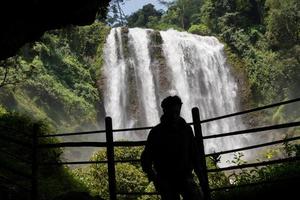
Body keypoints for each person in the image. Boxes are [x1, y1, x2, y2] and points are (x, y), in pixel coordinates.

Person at [141, 95, 203, 200]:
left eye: (176, 112)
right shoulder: (156, 132)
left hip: (184, 176)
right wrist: (155, 178)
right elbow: (146, 159)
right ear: (164, 111)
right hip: (165, 179)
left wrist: (201, 178)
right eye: (171, 113)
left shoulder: (186, 130)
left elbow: (194, 155)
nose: (174, 116)